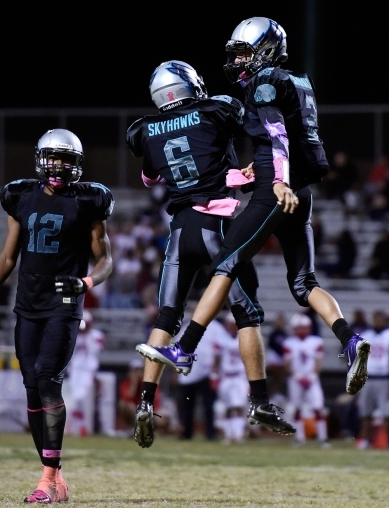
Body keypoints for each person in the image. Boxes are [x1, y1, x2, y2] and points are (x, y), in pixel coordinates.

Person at [139, 18, 370, 399]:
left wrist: (276, 180)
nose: (239, 61)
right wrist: (270, 174)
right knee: (303, 283)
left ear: (265, 49)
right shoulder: (298, 81)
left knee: (225, 265)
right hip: (301, 189)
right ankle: (349, 340)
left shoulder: (264, 84)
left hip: (275, 190)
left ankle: (185, 348)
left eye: (245, 52)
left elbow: (277, 133)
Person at [127, 60, 294, 448]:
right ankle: (260, 400)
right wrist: (247, 173)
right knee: (246, 313)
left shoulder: (144, 130)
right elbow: (255, 133)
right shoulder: (215, 109)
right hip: (218, 223)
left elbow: (152, 177)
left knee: (166, 316)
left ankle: (145, 403)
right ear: (189, 85)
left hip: (180, 230)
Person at [0, 128, 114, 503]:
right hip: (28, 305)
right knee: (32, 389)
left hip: (64, 305)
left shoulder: (89, 200)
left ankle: (46, 479)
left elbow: (106, 260)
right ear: (40, 158)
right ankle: (55, 475)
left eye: (67, 159)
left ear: (78, 164)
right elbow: (7, 256)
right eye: (54, 158)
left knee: (47, 380)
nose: (59, 166)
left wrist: (87, 282)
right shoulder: (20, 196)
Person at [283, 313, 329, 447]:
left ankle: (323, 438)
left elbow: (318, 362)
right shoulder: (289, 343)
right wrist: (298, 376)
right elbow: (287, 364)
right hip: (295, 379)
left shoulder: (316, 341)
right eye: (299, 327)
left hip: (311, 378)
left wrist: (311, 376)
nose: (302, 330)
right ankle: (300, 437)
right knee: (297, 408)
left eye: (304, 327)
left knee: (317, 407)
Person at [175, 317, 224, 441]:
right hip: (188, 372)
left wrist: (215, 372)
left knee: (208, 405)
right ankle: (187, 432)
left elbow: (219, 350)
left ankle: (210, 432)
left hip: (206, 372)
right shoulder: (186, 327)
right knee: (187, 405)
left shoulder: (215, 327)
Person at [356, 310, 389, 449]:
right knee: (366, 412)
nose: (377, 321)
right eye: (375, 318)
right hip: (369, 376)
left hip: (385, 377)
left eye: (380, 318)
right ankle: (366, 440)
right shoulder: (366, 335)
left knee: (386, 413)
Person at [65, 310, 105, 436]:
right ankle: (78, 426)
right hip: (75, 369)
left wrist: (87, 334)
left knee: (82, 397)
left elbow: (95, 350)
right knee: (75, 398)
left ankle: (80, 425)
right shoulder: (74, 335)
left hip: (88, 370)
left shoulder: (96, 335)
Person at [212, 313, 249, 444]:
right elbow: (216, 360)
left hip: (240, 376)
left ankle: (238, 435)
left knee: (239, 406)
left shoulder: (245, 338)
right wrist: (214, 376)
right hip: (226, 376)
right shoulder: (221, 339)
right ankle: (229, 435)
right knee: (227, 407)